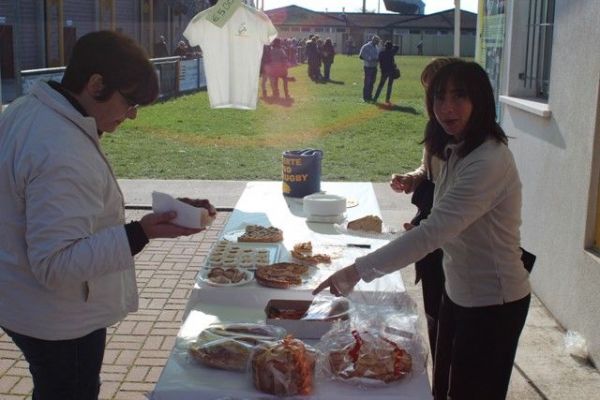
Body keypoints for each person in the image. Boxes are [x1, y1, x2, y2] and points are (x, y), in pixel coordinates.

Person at [0, 30, 216, 400]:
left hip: (21, 299)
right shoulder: (61, 148)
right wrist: (141, 232)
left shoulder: (27, 109)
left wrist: (149, 222)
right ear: (95, 83)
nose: (131, 115)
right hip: (58, 317)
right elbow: (55, 264)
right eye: (129, 102)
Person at [314, 60, 531, 400]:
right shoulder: (455, 146)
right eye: (438, 97)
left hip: (493, 303)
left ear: (481, 100)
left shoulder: (489, 159)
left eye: (459, 96)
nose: (447, 107)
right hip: (457, 290)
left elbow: (433, 232)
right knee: (443, 385)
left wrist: (355, 272)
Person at [389, 57, 461, 365]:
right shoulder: (435, 129)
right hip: (430, 230)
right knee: (434, 307)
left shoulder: (476, 144)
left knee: (453, 315)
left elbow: (459, 202)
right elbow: (428, 169)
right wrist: (412, 178)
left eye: (449, 93)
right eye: (433, 93)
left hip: (452, 238)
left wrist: (422, 232)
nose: (443, 105)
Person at [373, 40, 399, 105]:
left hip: (384, 71)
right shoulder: (392, 52)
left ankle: (375, 98)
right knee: (389, 86)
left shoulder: (381, 53)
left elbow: (378, 60)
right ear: (391, 47)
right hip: (391, 71)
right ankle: (387, 99)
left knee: (380, 85)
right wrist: (392, 45)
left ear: (385, 46)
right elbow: (397, 47)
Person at [358, 35, 380, 102]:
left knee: (372, 82)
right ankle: (365, 97)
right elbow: (361, 56)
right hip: (368, 67)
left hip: (374, 67)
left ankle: (370, 96)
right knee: (367, 82)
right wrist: (369, 58)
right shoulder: (366, 46)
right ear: (373, 40)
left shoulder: (376, 47)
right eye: (377, 41)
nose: (378, 43)